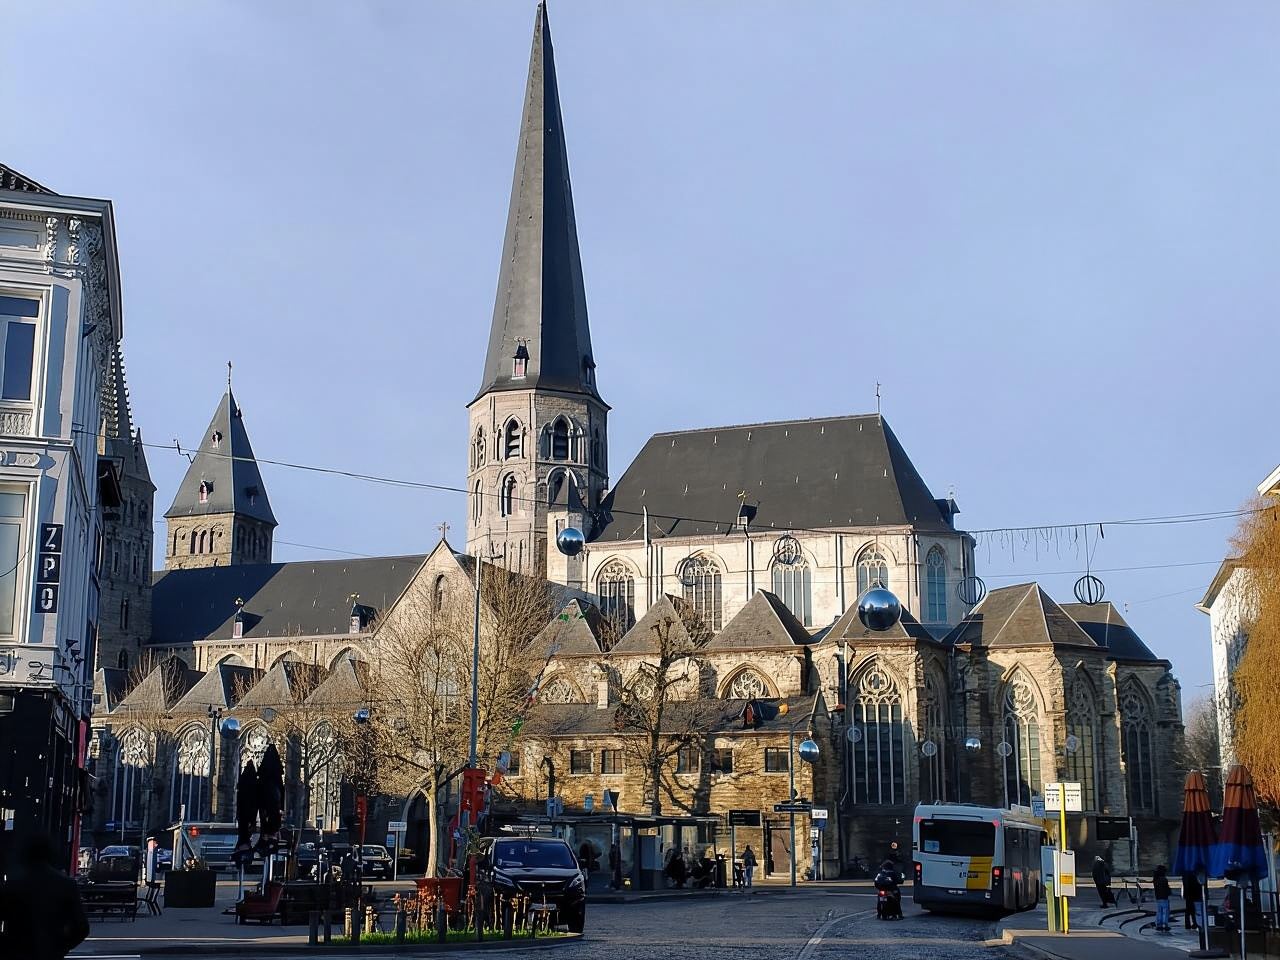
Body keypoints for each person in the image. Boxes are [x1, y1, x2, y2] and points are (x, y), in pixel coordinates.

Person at [0, 834, 90, 960]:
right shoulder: (66, 884)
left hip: (18, 951)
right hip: (51, 951)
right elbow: (81, 927)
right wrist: (62, 947)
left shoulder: (14, 884)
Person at [1153, 864, 1172, 933]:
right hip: (1164, 897)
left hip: (1158, 897)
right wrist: (1169, 892)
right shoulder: (1164, 879)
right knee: (1165, 911)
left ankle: (1159, 924)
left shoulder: (1155, 879)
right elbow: (1167, 889)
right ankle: (1165, 924)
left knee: (1159, 911)